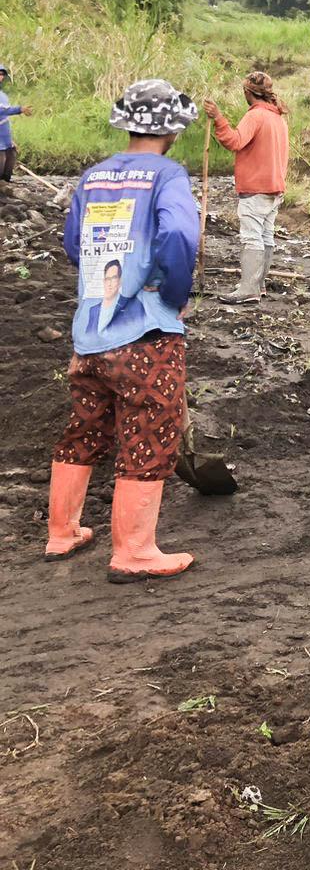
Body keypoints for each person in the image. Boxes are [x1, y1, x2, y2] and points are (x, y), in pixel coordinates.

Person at [45, 79, 201, 582]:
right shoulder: (168, 175)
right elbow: (178, 233)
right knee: (151, 428)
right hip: (145, 334)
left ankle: (62, 532)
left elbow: (73, 244)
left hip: (90, 333)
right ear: (172, 129)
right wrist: (175, 294)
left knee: (85, 427)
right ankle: (134, 550)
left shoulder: (92, 176)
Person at [204, 71, 290, 304]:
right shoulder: (278, 118)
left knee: (252, 238)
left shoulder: (256, 116)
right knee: (265, 236)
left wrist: (219, 118)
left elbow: (235, 141)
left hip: (256, 188)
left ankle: (248, 289)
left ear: (247, 93)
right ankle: (258, 285)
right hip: (274, 187)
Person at [0, 63, 32, 186]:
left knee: (10, 159)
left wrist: (10, 140)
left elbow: (4, 119)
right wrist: (19, 109)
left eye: (2, 74)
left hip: (5, 138)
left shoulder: (3, 96)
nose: (0, 77)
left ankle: (5, 192)